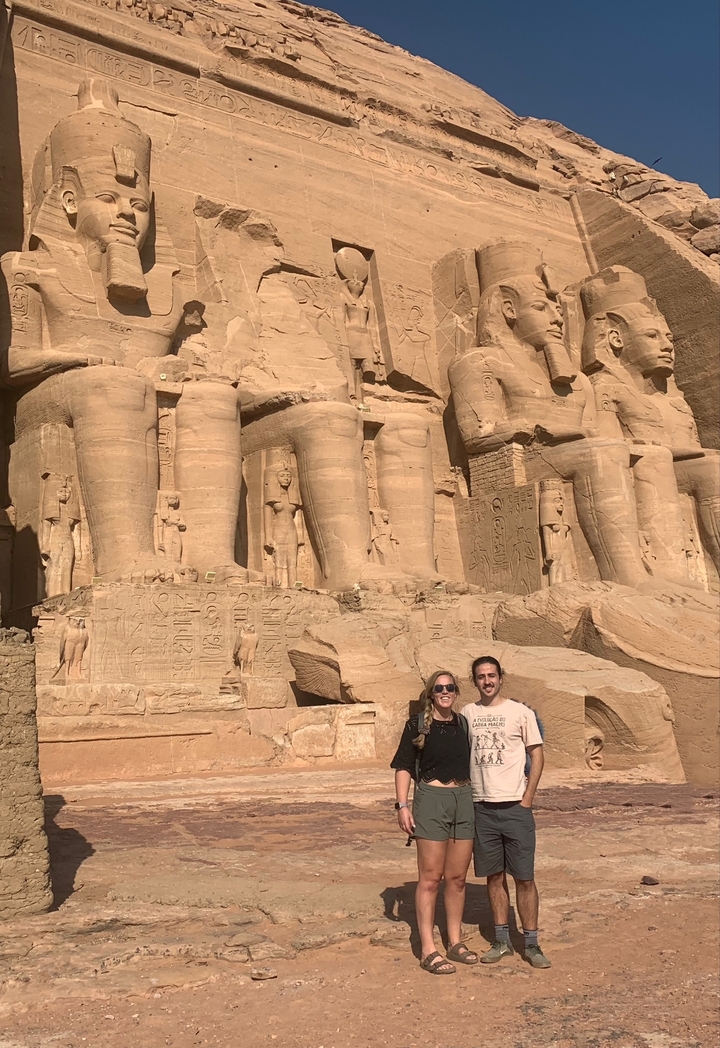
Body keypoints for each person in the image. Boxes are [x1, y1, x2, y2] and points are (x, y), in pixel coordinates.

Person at [460, 656, 551, 969]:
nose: (487, 681)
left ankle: (532, 943)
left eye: (492, 675)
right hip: (482, 807)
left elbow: (536, 755)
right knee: (494, 876)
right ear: (474, 681)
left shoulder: (520, 712)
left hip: (515, 807)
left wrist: (528, 798)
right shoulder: (468, 713)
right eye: (481, 676)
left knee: (524, 878)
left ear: (501, 678)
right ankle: (502, 941)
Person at [391, 670, 477, 975]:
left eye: (450, 687)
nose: (445, 692)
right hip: (430, 800)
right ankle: (428, 948)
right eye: (439, 688)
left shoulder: (462, 723)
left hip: (463, 800)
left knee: (457, 878)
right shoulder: (417, 725)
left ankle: (455, 941)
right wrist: (402, 806)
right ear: (431, 693)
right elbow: (403, 766)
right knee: (430, 879)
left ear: (456, 692)